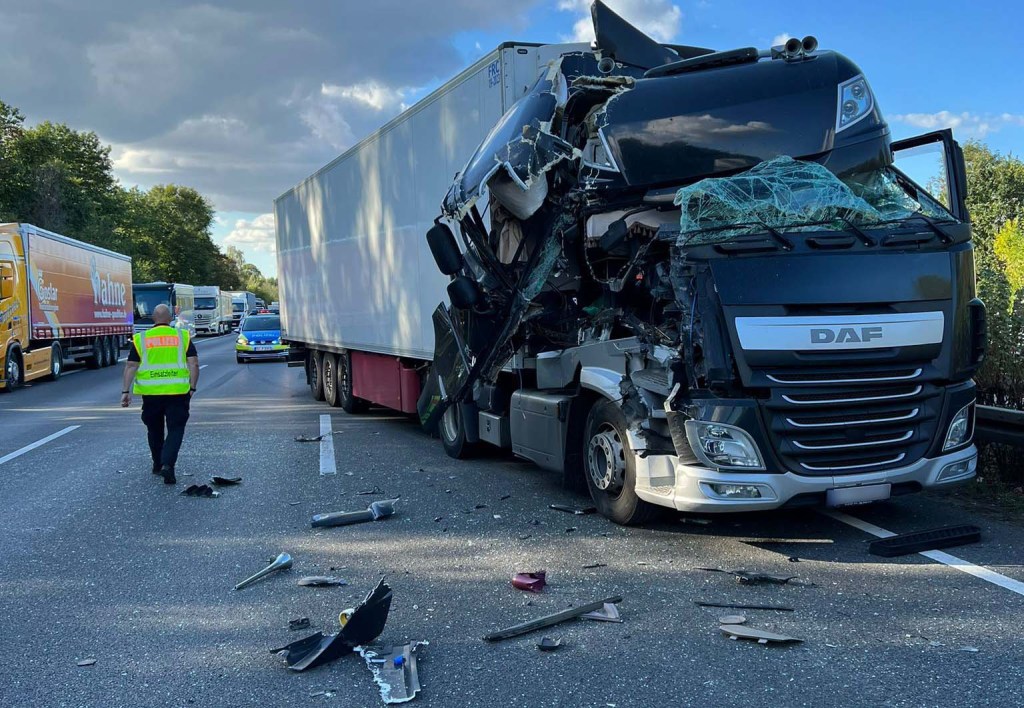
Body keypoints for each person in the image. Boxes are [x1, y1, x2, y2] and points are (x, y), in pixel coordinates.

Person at [120, 304, 200, 484]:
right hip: (178, 392)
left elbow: (131, 366)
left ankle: (157, 464)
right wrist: (192, 387)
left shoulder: (141, 339)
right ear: (170, 318)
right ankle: (168, 465)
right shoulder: (182, 336)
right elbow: (193, 363)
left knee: (154, 429)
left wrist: (125, 391)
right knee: (176, 429)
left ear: (153, 319)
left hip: (151, 394)